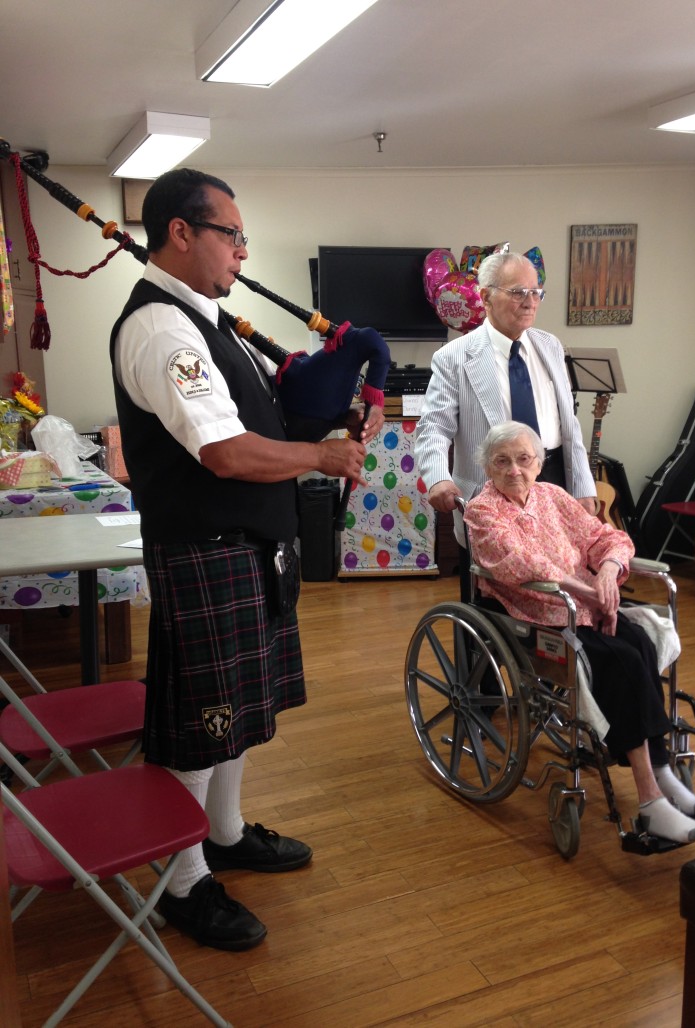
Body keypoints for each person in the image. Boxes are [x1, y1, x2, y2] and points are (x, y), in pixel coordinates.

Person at [110, 167, 384, 951]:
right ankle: (183, 879)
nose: (242, 249)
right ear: (180, 234)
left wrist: (334, 380)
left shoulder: (210, 321)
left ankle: (223, 832)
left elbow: (264, 406)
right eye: (230, 233)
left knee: (237, 709)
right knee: (204, 721)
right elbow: (225, 452)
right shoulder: (162, 328)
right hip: (206, 549)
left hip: (248, 548)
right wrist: (319, 457)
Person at [463, 421, 695, 846]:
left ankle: (664, 773)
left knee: (639, 642)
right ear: (487, 466)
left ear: (539, 463)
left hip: (586, 603)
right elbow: (522, 565)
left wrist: (611, 571)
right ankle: (651, 799)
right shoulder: (482, 510)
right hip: (537, 610)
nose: (514, 470)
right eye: (501, 461)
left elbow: (604, 538)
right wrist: (591, 594)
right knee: (622, 660)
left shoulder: (554, 497)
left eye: (524, 459)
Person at [415, 250, 596, 596]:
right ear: (485, 296)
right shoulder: (454, 357)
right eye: (517, 292)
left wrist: (584, 485)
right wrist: (438, 477)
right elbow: (434, 427)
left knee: (557, 581)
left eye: (535, 292)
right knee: (492, 590)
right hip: (492, 487)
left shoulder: (550, 345)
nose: (529, 302)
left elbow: (568, 423)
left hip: (554, 476)